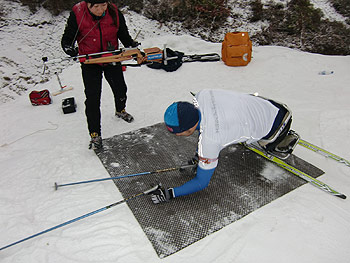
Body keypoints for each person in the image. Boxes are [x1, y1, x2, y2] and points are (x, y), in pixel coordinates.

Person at [148, 89, 299, 204]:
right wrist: (198, 158)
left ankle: (281, 143)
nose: (176, 136)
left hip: (276, 127)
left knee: (267, 144)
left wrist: (170, 193)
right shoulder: (203, 95)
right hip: (272, 106)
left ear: (188, 130)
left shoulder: (211, 140)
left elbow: (201, 182)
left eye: (177, 133)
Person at [61, 0, 139, 149]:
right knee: (93, 98)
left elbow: (123, 34)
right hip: (90, 62)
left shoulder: (113, 11)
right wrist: (68, 48)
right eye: (96, 6)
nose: (100, 9)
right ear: (87, 4)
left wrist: (131, 47)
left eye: (103, 5)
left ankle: (120, 110)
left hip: (111, 57)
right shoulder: (78, 13)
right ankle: (95, 134)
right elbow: (67, 38)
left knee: (120, 89)